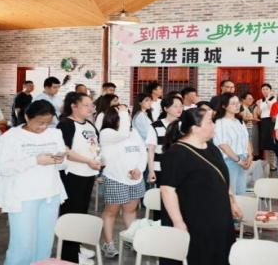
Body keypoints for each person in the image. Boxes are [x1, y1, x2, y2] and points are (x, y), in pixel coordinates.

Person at [160, 107, 243, 265]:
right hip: (194, 220)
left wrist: (232, 202)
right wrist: (178, 222)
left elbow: (223, 178)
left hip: (219, 217)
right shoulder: (176, 154)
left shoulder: (212, 148)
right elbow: (167, 190)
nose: (214, 125)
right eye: (210, 122)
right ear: (195, 128)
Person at [0, 100, 67, 265]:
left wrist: (60, 160)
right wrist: (35, 160)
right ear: (27, 117)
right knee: (22, 245)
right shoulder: (11, 137)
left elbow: (63, 165)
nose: (44, 127)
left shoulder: (55, 134)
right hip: (23, 197)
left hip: (50, 194)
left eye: (48, 123)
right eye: (40, 122)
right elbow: (1, 168)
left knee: (45, 243)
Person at [56, 92, 100, 262]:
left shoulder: (89, 124)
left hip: (88, 173)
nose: (90, 108)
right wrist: (87, 161)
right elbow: (65, 150)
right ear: (74, 106)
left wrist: (97, 161)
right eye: (86, 105)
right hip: (73, 175)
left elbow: (94, 146)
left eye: (91, 105)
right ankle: (69, 256)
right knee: (71, 215)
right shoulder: (65, 124)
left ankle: (77, 248)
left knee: (81, 213)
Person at [98, 105, 147, 258]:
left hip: (135, 178)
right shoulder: (106, 133)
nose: (128, 117)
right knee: (111, 212)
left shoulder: (134, 132)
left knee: (131, 210)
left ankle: (129, 239)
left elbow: (142, 152)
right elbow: (123, 134)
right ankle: (108, 244)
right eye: (125, 115)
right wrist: (124, 112)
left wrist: (139, 169)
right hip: (115, 178)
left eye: (128, 115)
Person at [214, 93, 253, 195]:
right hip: (229, 160)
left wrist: (250, 156)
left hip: (243, 158)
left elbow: (246, 139)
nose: (237, 105)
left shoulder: (239, 121)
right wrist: (238, 160)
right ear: (224, 106)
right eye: (233, 103)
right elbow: (223, 144)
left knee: (241, 192)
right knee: (231, 193)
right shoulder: (220, 122)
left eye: (238, 103)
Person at [146, 95, 183, 186]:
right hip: (160, 168)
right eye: (175, 106)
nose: (179, 109)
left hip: (181, 168)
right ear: (166, 108)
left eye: (181, 106)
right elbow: (151, 150)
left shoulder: (184, 125)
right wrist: (151, 171)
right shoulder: (155, 126)